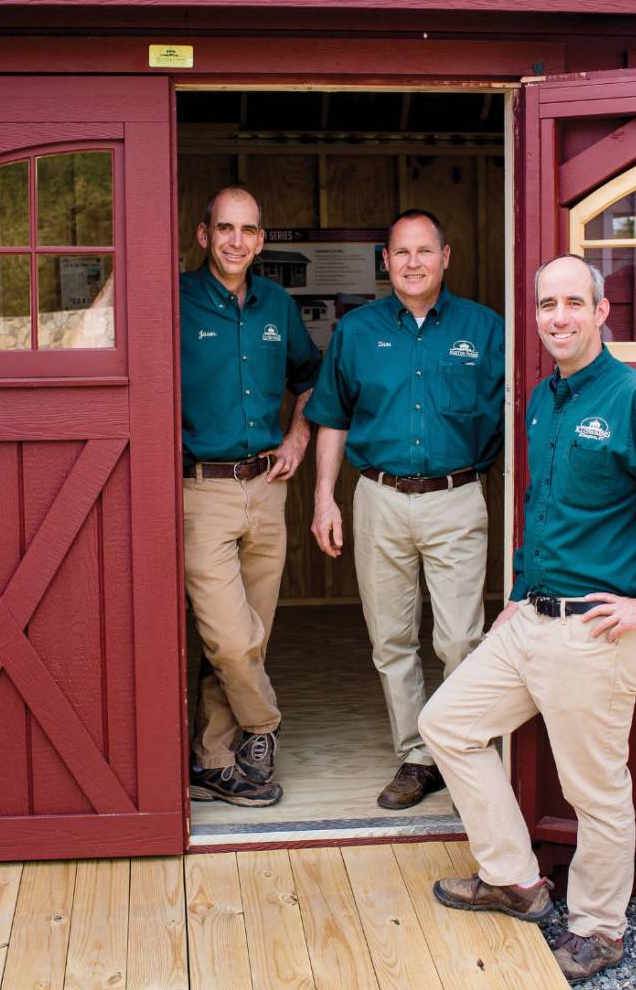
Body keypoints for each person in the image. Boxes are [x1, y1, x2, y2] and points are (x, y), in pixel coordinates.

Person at [418, 254, 636, 983]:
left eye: (573, 303)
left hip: (596, 631)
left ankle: (599, 928)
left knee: (595, 790)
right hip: (532, 619)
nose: (558, 317)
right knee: (447, 725)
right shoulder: (542, 399)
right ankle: (515, 880)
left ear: (601, 311)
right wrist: (519, 591)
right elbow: (542, 505)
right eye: (546, 305)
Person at [305, 208, 504, 810]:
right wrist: (324, 499)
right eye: (401, 252)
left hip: (456, 498)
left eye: (424, 251)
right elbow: (332, 418)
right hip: (379, 499)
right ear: (385, 261)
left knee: (460, 640)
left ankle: (462, 752)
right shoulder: (357, 331)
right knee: (391, 639)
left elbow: (515, 415)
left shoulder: (485, 329)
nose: (413, 263)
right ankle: (417, 757)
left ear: (446, 257)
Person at [180, 186, 321, 807]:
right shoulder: (173, 301)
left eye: (248, 230)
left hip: (267, 488)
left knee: (248, 638)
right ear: (204, 234)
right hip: (200, 489)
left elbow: (310, 378)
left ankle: (213, 761)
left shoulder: (278, 307)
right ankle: (264, 726)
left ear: (261, 240)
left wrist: (297, 436)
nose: (237, 241)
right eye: (225, 228)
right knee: (230, 637)